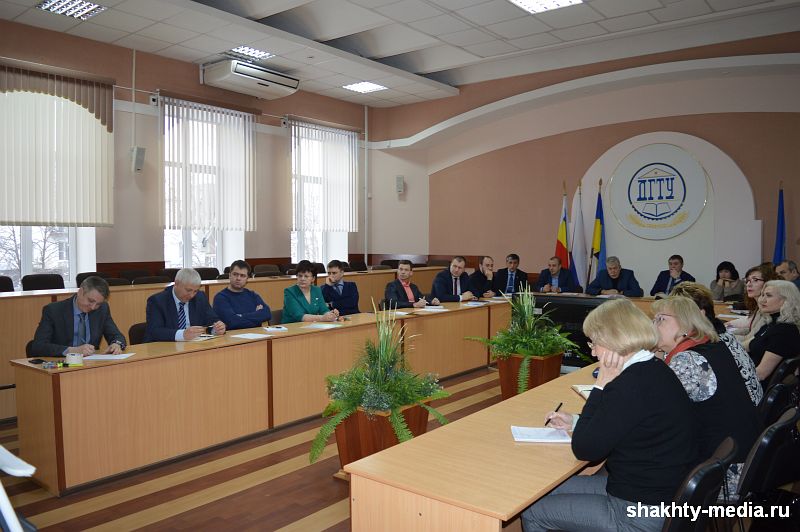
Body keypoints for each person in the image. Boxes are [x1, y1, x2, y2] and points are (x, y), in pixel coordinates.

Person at [520, 299, 696, 532]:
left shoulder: (629, 385)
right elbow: (620, 422)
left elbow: (585, 449)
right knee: (537, 492)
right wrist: (575, 420)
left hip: (636, 512)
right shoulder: (653, 368)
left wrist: (601, 383)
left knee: (532, 511)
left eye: (594, 343)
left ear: (615, 340)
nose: (592, 351)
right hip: (658, 493)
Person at [652, 296, 761, 495]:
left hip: (720, 475)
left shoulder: (688, 361)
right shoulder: (711, 345)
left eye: (661, 319)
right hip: (740, 459)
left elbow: (652, 411)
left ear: (685, 324)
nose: (653, 325)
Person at [670, 282, 762, 404]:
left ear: (699, 314)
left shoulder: (702, 346)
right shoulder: (724, 335)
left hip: (739, 408)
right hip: (751, 404)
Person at [30, 276, 126, 356]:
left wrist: (116, 344)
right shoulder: (53, 311)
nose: (93, 307)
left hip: (91, 364)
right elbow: (38, 346)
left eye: (98, 304)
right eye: (91, 301)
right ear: (80, 292)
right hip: (63, 365)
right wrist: (72, 350)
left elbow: (117, 336)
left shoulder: (102, 309)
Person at [743, 280, 800, 386]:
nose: (762, 300)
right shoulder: (771, 323)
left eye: (768, 296)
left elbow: (761, 374)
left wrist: (730, 375)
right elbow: (743, 346)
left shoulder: (785, 332)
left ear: (786, 300)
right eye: (762, 295)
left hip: (755, 387)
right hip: (749, 376)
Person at [144, 268, 225, 342]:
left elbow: (212, 319)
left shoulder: (200, 297)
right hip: (165, 347)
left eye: (195, 291)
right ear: (176, 283)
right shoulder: (157, 301)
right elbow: (155, 331)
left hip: (194, 345)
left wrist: (217, 328)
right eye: (188, 290)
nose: (192, 295)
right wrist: (182, 334)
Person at [213, 260, 271, 330]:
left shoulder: (252, 295)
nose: (238, 278)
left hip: (257, 334)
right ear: (229, 275)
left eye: (242, 276)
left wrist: (241, 316)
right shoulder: (220, 298)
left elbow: (267, 313)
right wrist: (257, 317)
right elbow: (233, 322)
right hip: (233, 336)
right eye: (235, 274)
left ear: (247, 279)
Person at [725, 264, 778, 335]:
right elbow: (751, 329)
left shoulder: (769, 310)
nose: (748, 284)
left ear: (768, 282)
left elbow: (752, 338)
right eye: (748, 281)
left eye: (755, 280)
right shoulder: (759, 307)